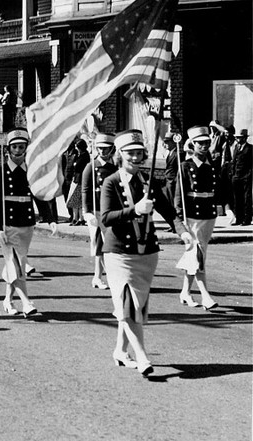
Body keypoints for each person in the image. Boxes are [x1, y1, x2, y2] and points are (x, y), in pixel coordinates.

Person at [100, 129, 191, 378]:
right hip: (119, 253)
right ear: (120, 154)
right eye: (130, 153)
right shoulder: (111, 182)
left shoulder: (149, 182)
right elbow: (106, 218)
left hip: (147, 253)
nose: (136, 157)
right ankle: (142, 356)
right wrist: (135, 210)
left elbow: (168, 211)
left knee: (131, 306)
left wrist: (182, 232)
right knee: (128, 304)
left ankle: (120, 350)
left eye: (139, 153)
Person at [0, 129, 39, 317]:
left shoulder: (32, 171)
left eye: (21, 146)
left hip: (26, 223)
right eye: (14, 147)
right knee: (16, 263)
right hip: (8, 224)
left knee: (16, 263)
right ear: (8, 150)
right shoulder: (1, 172)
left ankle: (7, 299)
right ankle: (26, 302)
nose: (18, 150)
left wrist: (51, 218)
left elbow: (40, 196)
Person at [173, 126, 220, 310]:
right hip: (192, 215)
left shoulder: (212, 165)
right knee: (197, 254)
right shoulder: (185, 166)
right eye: (200, 143)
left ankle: (185, 291)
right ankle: (205, 295)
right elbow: (178, 195)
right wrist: (179, 219)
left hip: (208, 215)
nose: (204, 146)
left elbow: (218, 190)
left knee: (198, 255)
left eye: (207, 143)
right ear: (193, 144)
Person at [81, 133, 117, 290]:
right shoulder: (91, 166)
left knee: (110, 244)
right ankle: (98, 276)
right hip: (95, 211)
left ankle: (104, 275)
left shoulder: (115, 168)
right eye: (100, 148)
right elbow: (85, 190)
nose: (103, 151)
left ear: (112, 149)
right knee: (99, 244)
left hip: (110, 211)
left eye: (106, 148)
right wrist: (86, 211)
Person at [230, 129, 252, 225]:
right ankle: (238, 218)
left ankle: (247, 219)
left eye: (240, 138)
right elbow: (234, 161)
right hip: (236, 176)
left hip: (246, 176)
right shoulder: (236, 148)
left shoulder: (250, 148)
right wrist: (232, 173)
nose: (238, 140)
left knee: (246, 198)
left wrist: (249, 174)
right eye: (237, 138)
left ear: (245, 138)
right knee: (237, 198)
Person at [66, 138, 90, 225]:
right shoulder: (79, 155)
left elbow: (78, 167)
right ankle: (76, 218)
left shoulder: (85, 156)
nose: (76, 148)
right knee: (75, 200)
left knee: (77, 200)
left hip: (81, 180)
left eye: (77, 146)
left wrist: (75, 164)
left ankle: (79, 219)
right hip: (76, 179)